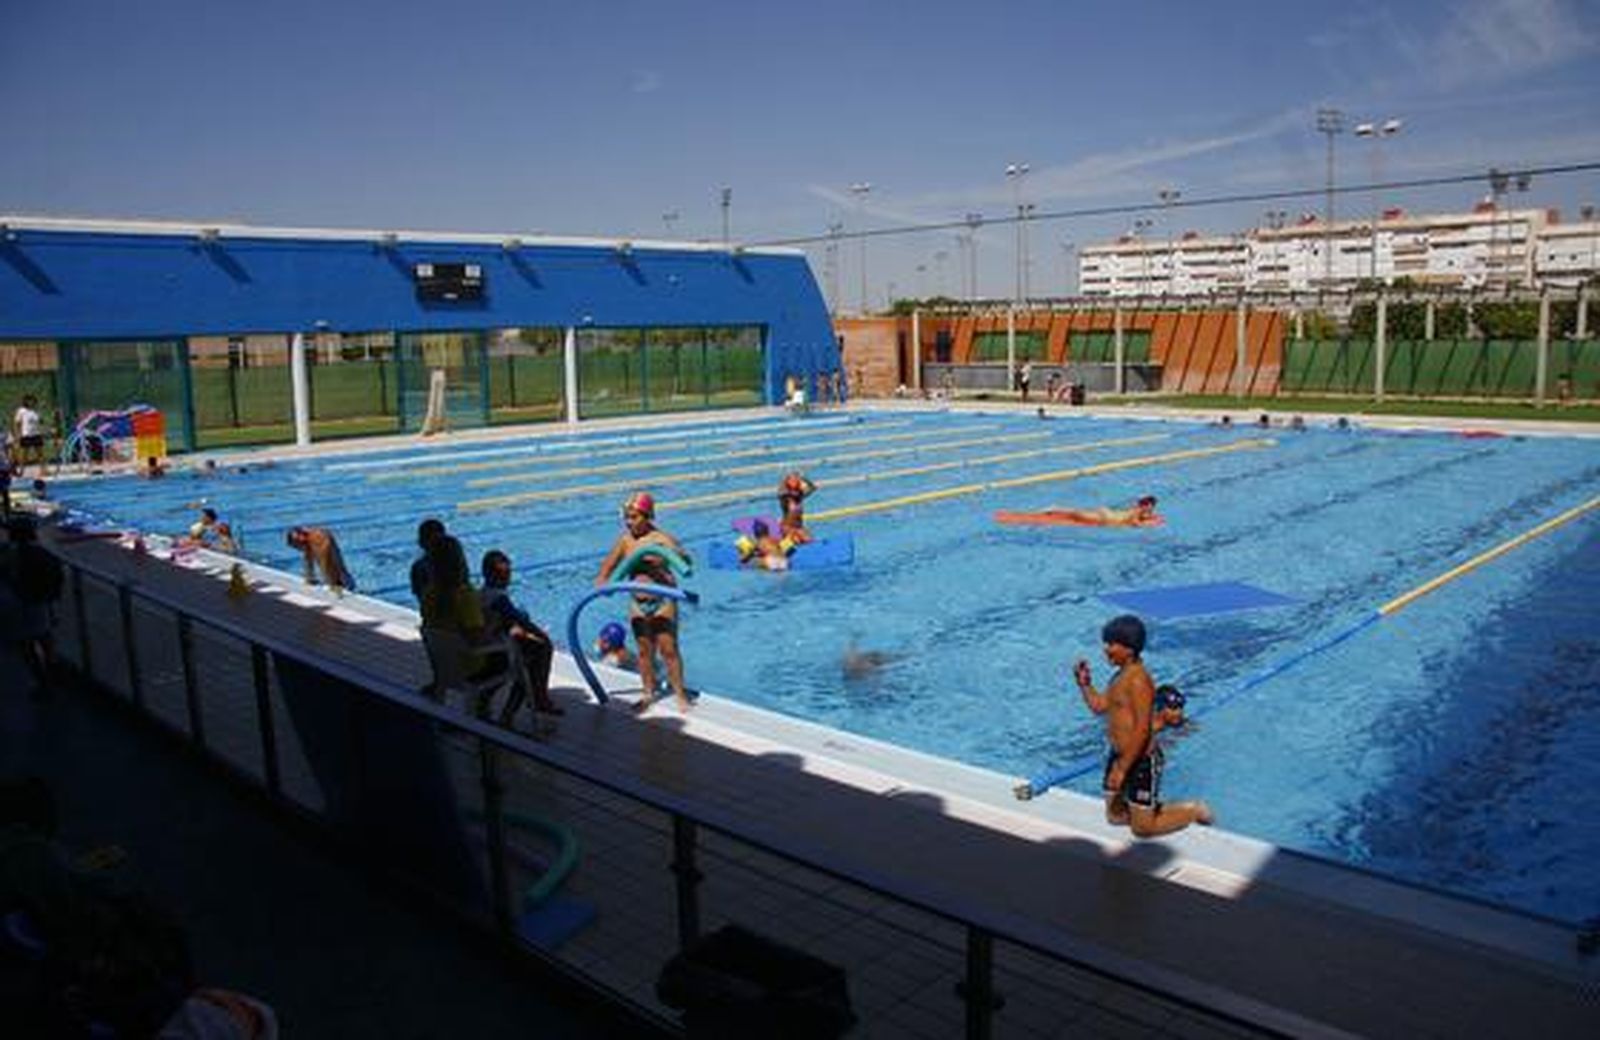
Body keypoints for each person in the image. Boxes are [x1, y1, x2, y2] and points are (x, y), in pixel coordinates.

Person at [1074, 615, 1213, 837]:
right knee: (1115, 816)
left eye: (1111, 644)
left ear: (1128, 649)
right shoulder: (1119, 677)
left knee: (1142, 829)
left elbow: (1142, 729)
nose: (1106, 650)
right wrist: (1085, 684)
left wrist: (1123, 768)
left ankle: (1191, 811)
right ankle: (1149, 811)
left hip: (1140, 760)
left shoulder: (1139, 680)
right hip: (1119, 755)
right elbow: (1100, 706)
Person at [595, 492, 692, 713]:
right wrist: (602, 581)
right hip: (637, 602)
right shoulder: (625, 541)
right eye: (627, 518)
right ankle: (648, 693)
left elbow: (686, 561)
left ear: (647, 516)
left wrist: (675, 554)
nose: (630, 522)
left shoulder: (661, 539)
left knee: (669, 650)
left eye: (634, 517)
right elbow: (608, 566)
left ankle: (680, 694)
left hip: (663, 599)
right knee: (644, 651)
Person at [480, 549, 562, 720]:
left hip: (485, 647)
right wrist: (542, 635)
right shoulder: (499, 598)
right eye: (504, 575)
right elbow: (519, 619)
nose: (507, 579)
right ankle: (518, 709)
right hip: (494, 655)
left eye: (508, 575)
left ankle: (488, 702)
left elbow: (501, 621)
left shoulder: (480, 593)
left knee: (530, 648)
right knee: (538, 654)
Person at [2, 516, 64, 693]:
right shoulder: (43, 554)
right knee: (46, 637)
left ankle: (42, 681)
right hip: (41, 602)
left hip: (20, 602)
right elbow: (56, 577)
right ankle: (53, 672)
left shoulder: (9, 553)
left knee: (27, 645)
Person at [285, 526, 355, 592]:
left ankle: (340, 583)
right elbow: (308, 563)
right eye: (296, 546)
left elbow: (325, 563)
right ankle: (341, 582)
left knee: (333, 568)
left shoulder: (317, 539)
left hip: (325, 544)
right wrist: (309, 578)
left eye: (297, 544)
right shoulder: (309, 543)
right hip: (326, 543)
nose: (299, 547)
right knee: (336, 569)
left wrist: (332, 581)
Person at [1033, 495, 1162, 528]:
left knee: (1076, 513)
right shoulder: (1138, 511)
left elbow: (1143, 516)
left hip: (1106, 514)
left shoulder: (1140, 510)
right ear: (1147, 505)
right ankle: (1054, 509)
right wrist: (1147, 524)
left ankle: (1055, 509)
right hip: (1104, 517)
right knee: (1075, 514)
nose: (1152, 509)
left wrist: (1150, 518)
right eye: (1151, 506)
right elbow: (1134, 523)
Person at [777, 471, 816, 544]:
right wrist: (786, 480)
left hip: (799, 527)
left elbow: (813, 488)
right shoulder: (785, 499)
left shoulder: (799, 497)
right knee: (797, 541)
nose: (795, 482)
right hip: (787, 528)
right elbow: (781, 492)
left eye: (796, 481)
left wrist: (803, 478)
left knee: (810, 541)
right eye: (792, 480)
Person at [13, 394, 44, 473]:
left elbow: (40, 422)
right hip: (26, 435)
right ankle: (21, 470)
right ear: (25, 401)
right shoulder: (21, 411)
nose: (31, 402)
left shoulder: (35, 411)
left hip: (36, 434)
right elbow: (17, 423)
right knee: (24, 455)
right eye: (29, 401)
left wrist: (40, 413)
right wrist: (17, 435)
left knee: (40, 453)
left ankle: (43, 470)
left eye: (33, 401)